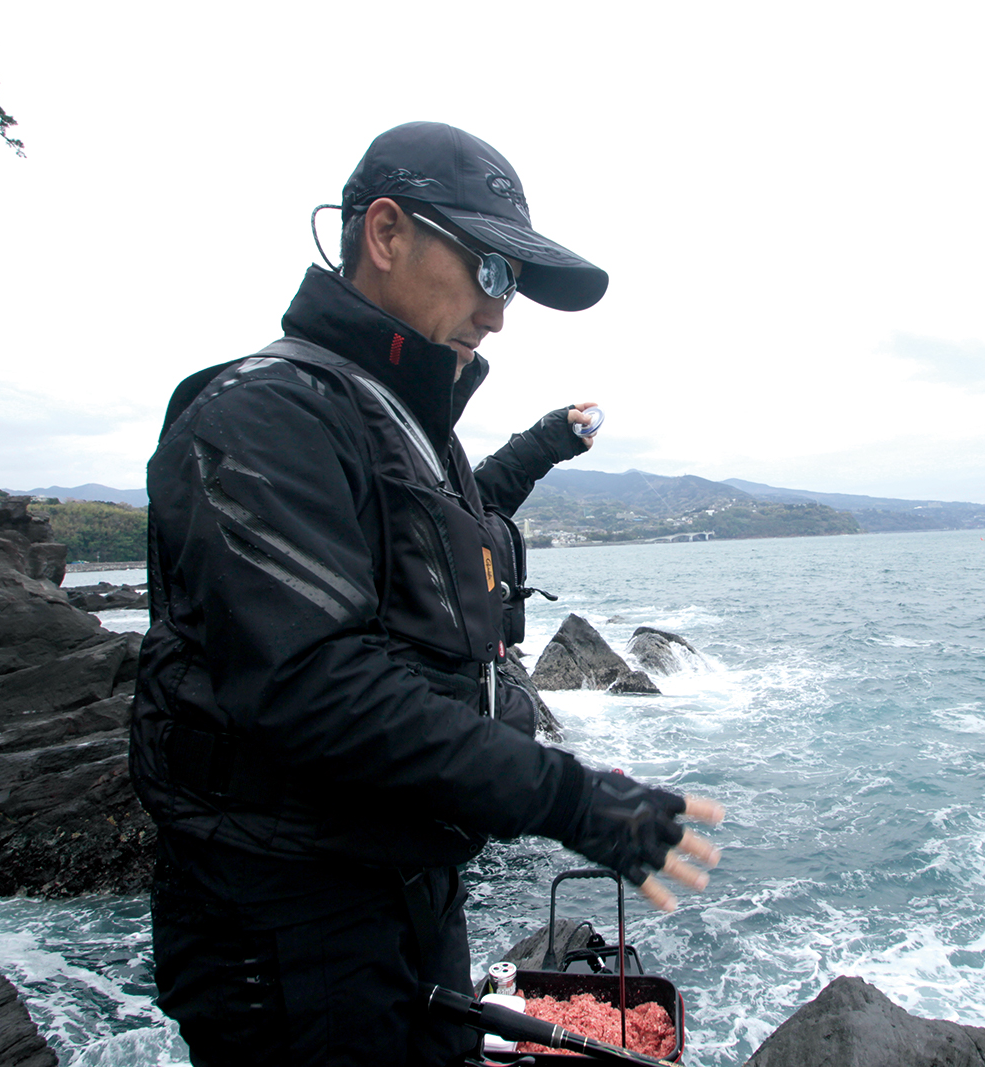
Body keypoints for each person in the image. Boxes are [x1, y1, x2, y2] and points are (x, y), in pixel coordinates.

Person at [128, 120, 722, 1067]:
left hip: (405, 896)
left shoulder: (405, 428)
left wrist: (546, 441)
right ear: (387, 233)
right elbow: (313, 682)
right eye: (491, 270)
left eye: (513, 285)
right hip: (290, 931)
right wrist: (570, 798)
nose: (500, 313)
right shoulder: (259, 413)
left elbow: (454, 527)